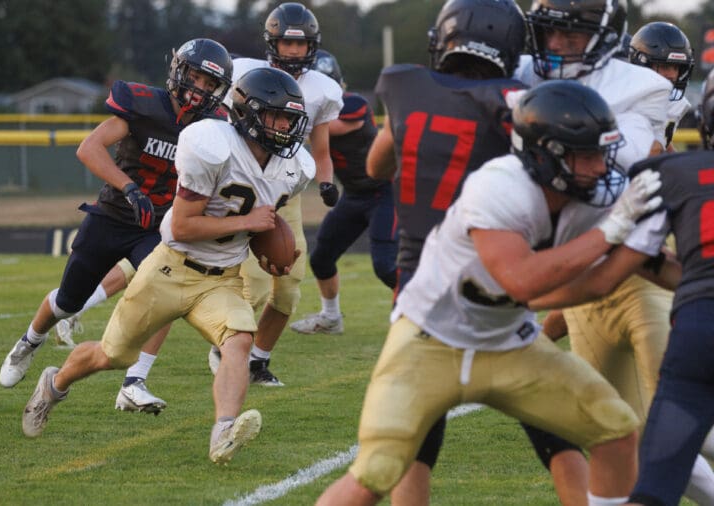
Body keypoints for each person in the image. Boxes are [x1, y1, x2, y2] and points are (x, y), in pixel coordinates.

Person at [316, 79, 667, 506]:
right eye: (587, 155)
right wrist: (612, 233)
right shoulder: (500, 185)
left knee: (616, 431)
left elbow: (607, 278)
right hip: (430, 342)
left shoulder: (590, 199)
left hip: (509, 343)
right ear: (546, 155)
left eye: (602, 152)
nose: (600, 168)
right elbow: (520, 280)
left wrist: (648, 244)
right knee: (375, 473)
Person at [20, 66, 315, 466]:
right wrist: (248, 223)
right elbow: (183, 225)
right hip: (170, 269)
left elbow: (261, 223)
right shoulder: (211, 143)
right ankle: (53, 385)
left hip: (222, 279)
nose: (284, 128)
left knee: (239, 341)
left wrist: (270, 254)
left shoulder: (294, 167)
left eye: (289, 119)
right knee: (112, 356)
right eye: (275, 116)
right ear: (247, 113)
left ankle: (223, 432)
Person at [514, 3, 714, 505]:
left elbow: (652, 180)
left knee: (683, 413)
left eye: (674, 68)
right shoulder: (539, 84)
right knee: (618, 431)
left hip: (639, 266)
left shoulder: (645, 99)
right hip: (594, 266)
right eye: (659, 64)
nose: (666, 76)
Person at [0, 39, 233, 408]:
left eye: (209, 84)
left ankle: (135, 381)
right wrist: (129, 188)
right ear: (179, 71)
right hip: (112, 216)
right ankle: (30, 340)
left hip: (158, 227)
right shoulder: (143, 105)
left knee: (167, 294)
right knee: (66, 301)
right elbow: (89, 147)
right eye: (196, 77)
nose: (200, 89)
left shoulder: (214, 125)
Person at [364, 0, 527, 502]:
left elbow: (375, 168)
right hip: (492, 275)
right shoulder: (516, 101)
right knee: (557, 430)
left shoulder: (406, 87)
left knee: (413, 433)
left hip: (418, 283)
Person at [208, 1, 344, 386]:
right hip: (246, 187)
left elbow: (321, 150)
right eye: (287, 43)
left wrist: (326, 182)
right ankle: (224, 346)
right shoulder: (246, 73)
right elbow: (220, 125)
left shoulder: (323, 89)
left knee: (288, 289)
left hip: (286, 193)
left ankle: (257, 361)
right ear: (273, 43)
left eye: (301, 45)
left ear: (312, 46)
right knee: (254, 284)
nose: (295, 52)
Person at [289, 49, 397, 336]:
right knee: (321, 257)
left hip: (385, 193)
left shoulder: (354, 105)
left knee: (386, 265)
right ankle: (331, 317)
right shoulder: (308, 113)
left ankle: (426, 315)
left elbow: (323, 127)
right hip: (353, 195)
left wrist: (280, 113)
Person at [629, 21, 695, 150]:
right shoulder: (620, 95)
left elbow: (660, 144)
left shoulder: (674, 103)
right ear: (641, 64)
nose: (672, 75)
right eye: (665, 66)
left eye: (676, 68)